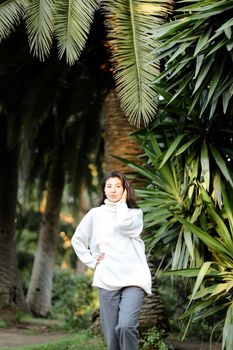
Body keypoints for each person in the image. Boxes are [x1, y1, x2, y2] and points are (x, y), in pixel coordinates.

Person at [71, 170, 152, 350]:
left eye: (118, 186)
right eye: (109, 186)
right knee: (112, 341)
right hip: (107, 278)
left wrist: (122, 204)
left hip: (134, 278)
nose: (113, 190)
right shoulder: (95, 214)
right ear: (104, 190)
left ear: (125, 190)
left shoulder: (134, 214)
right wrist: (93, 262)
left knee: (126, 325)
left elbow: (125, 226)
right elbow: (77, 240)